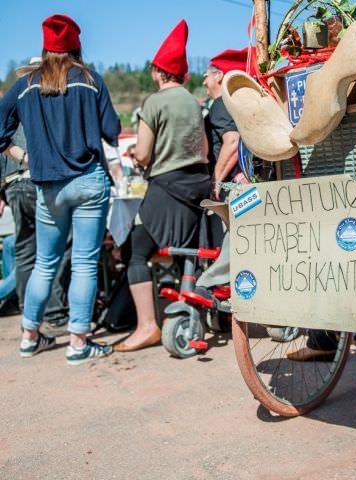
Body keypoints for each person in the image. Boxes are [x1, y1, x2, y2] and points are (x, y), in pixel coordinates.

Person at [0, 14, 120, 364]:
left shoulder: (26, 84)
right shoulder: (90, 80)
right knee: (83, 263)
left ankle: (29, 336)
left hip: (47, 186)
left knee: (44, 263)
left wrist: (22, 157)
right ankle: (78, 343)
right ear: (76, 46)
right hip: (88, 181)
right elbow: (111, 129)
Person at [114, 19, 210, 352]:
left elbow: (143, 152)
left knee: (135, 252)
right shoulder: (195, 103)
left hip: (167, 186)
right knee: (184, 251)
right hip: (198, 185)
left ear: (158, 71)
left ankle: (146, 327)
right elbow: (204, 151)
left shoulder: (153, 103)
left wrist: (137, 156)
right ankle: (184, 313)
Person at [0, 122, 71, 329]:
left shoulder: (8, 115)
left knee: (24, 252)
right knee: (59, 247)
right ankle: (55, 313)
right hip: (40, 180)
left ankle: (29, 314)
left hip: (13, 184)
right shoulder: (39, 105)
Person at [203, 48, 253, 200]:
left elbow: (233, 142)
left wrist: (215, 182)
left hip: (231, 187)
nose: (204, 82)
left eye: (206, 76)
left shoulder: (220, 103)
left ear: (219, 76)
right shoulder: (236, 104)